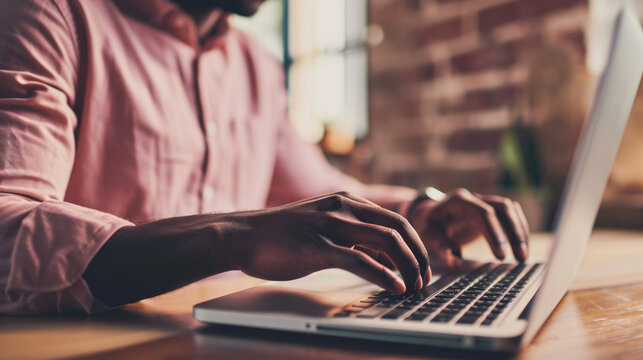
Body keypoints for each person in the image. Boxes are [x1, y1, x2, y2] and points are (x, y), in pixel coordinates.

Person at [0, 0, 529, 315]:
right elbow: (7, 223)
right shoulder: (53, 15)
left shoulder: (253, 61)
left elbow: (312, 187)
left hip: (224, 338)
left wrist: (419, 211)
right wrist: (229, 236)